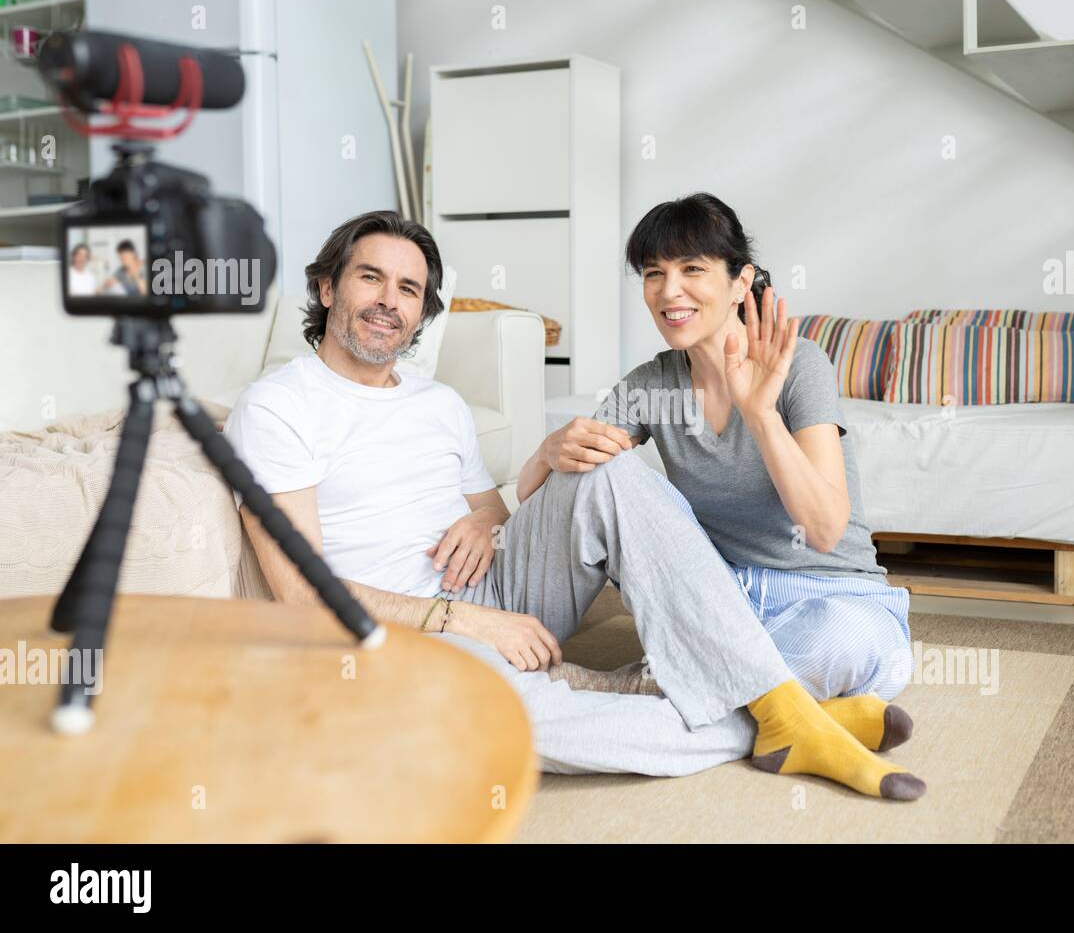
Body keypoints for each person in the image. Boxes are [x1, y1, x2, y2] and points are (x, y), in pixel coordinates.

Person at [224, 210, 924, 800]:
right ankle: (791, 718)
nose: (389, 301)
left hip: (502, 590)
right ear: (325, 288)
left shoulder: (438, 404)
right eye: (370, 278)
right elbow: (301, 593)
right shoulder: (279, 407)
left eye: (408, 288)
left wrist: (488, 513)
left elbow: (506, 518)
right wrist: (463, 613)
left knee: (611, 474)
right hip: (411, 624)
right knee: (496, 720)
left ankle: (748, 697)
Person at [520, 193, 916, 714]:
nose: (669, 291)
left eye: (692, 269)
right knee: (595, 469)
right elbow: (556, 504)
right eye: (653, 273)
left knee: (849, 645)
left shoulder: (798, 365)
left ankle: (656, 687)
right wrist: (547, 452)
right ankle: (765, 703)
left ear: (739, 282)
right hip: (720, 602)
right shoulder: (651, 384)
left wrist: (760, 414)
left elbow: (823, 531)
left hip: (828, 595)